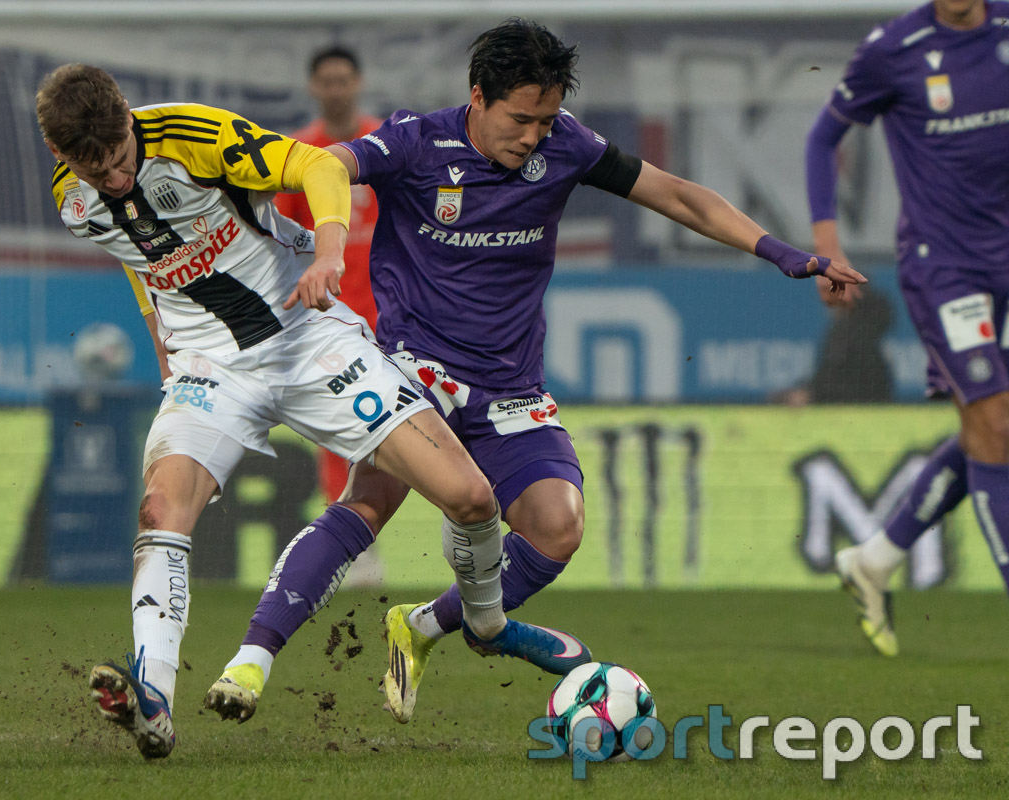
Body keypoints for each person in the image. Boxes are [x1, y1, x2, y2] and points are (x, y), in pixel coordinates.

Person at [210, 18, 866, 726]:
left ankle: (427, 625)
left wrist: (779, 251)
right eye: (520, 119)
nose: (532, 137)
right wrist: (327, 244)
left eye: (545, 120)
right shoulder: (415, 142)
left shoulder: (567, 145)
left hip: (509, 387)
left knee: (558, 527)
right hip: (412, 370)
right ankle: (250, 663)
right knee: (368, 504)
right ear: (478, 97)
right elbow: (326, 165)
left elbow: (677, 195)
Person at [36, 63, 588, 759]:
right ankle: (155, 698)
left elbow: (320, 166)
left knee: (471, 498)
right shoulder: (72, 197)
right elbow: (139, 254)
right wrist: (161, 345)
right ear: (60, 154)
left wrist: (328, 253)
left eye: (122, 158)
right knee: (160, 510)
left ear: (126, 115)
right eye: (99, 171)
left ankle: (480, 622)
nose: (116, 178)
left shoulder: (193, 136)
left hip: (308, 336)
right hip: (211, 368)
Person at [805, 0, 1009, 656]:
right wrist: (828, 248)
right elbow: (822, 139)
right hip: (944, 269)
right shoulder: (895, 48)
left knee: (988, 429)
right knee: (995, 422)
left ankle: (875, 559)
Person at [275, 46, 385, 582]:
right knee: (338, 428)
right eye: (328, 81)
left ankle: (466, 530)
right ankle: (356, 548)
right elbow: (281, 236)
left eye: (344, 79)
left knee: (433, 420)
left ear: (358, 82)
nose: (337, 89)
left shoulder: (386, 146)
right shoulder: (298, 155)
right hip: (331, 318)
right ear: (314, 87)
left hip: (396, 313)